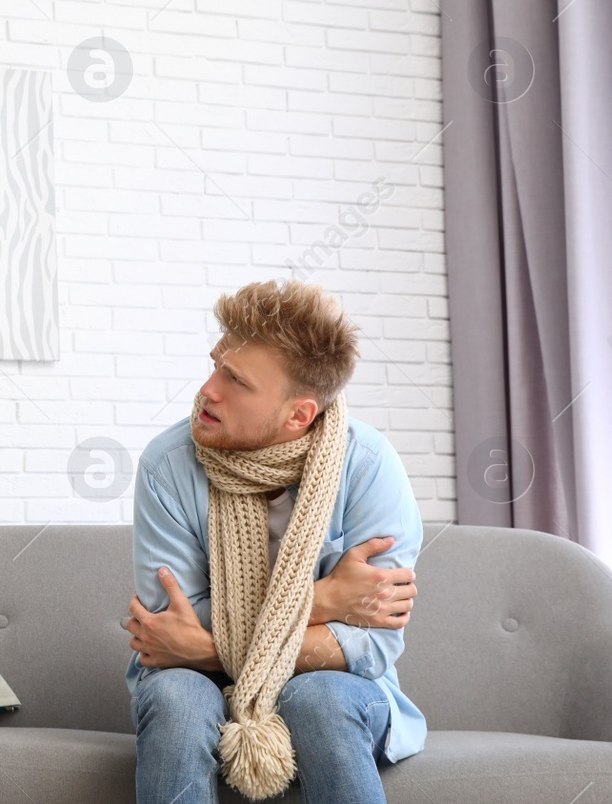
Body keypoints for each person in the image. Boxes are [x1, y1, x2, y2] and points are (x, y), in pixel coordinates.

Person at [124, 279, 426, 803]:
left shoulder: (369, 467)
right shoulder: (167, 465)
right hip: (195, 686)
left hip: (343, 695)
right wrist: (325, 602)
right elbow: (168, 630)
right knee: (178, 694)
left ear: (298, 415)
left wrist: (207, 647)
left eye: (236, 381)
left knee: (319, 698)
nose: (207, 390)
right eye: (217, 364)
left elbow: (372, 646)